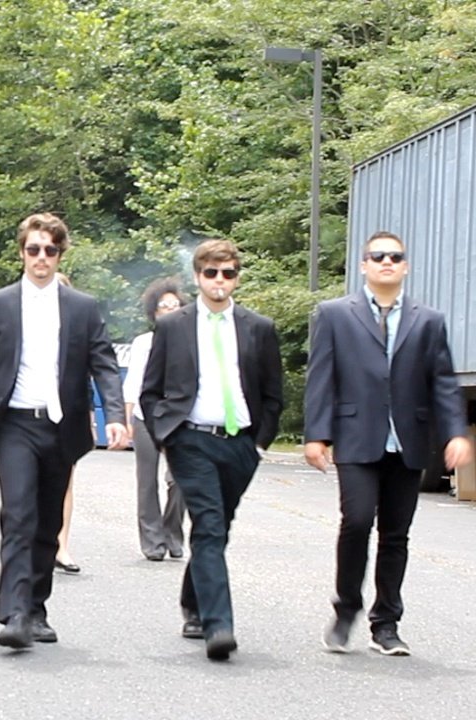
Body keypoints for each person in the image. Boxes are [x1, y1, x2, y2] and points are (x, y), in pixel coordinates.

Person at [0, 212, 126, 649]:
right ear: (21, 253)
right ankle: (13, 612)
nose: (41, 257)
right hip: (14, 422)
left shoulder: (82, 307)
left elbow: (103, 363)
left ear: (59, 255)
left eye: (50, 250)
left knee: (47, 522)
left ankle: (36, 607)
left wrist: (115, 414)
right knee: (18, 514)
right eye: (33, 249)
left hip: (61, 426)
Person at [305, 231, 473, 656]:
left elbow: (442, 382)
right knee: (357, 521)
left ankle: (386, 624)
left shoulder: (427, 320)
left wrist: (456, 433)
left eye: (394, 257)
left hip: (409, 440)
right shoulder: (335, 314)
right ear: (363, 265)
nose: (386, 262)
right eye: (377, 256)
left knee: (396, 535)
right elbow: (321, 378)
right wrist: (316, 435)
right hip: (356, 437)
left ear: (405, 266)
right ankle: (346, 610)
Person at [140, 238, 283, 662]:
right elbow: (152, 391)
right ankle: (218, 625)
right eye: (211, 273)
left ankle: (194, 602)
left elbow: (273, 395)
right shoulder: (174, 326)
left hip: (240, 442)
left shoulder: (259, 327)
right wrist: (167, 436)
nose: (220, 281)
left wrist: (259, 444)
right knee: (208, 522)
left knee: (215, 530)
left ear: (237, 276)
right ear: (198, 276)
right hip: (191, 439)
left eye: (228, 273)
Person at [123, 277, 189, 562]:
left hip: (180, 420)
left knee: (181, 480)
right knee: (146, 481)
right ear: (154, 312)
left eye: (176, 305)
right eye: (165, 306)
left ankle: (172, 531)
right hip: (144, 417)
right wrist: (127, 421)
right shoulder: (143, 343)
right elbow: (133, 383)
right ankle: (152, 541)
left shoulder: (192, 341)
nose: (171, 310)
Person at [51, 272, 82, 576]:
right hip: (28, 415)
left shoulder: (76, 330)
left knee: (66, 482)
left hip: (67, 412)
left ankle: (61, 544)